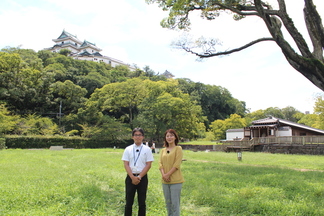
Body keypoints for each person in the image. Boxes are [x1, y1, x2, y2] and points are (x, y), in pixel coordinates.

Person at [122, 128, 154, 216]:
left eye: (139, 135)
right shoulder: (128, 149)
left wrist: (139, 177)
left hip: (142, 178)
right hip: (130, 177)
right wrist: (132, 177)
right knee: (128, 201)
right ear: (132, 137)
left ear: (143, 137)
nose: (138, 137)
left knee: (142, 202)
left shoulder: (147, 149)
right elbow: (126, 164)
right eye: (136, 135)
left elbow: (148, 164)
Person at [159, 129, 184, 216]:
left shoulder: (178, 148)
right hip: (165, 181)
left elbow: (177, 164)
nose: (169, 137)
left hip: (176, 181)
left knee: (175, 204)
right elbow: (160, 164)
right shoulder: (163, 150)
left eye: (171, 135)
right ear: (165, 138)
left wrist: (168, 174)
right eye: (167, 136)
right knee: (168, 203)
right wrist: (164, 175)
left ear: (175, 137)